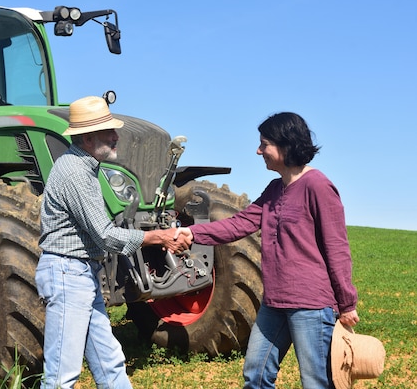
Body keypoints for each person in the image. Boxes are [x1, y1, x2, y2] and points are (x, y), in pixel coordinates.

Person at [175, 112, 359, 389]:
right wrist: (192, 232)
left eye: (264, 144)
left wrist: (347, 303)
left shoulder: (318, 186)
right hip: (274, 303)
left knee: (316, 381)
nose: (259, 150)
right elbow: (239, 224)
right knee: (256, 376)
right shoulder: (275, 189)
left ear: (286, 146)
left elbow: (337, 247)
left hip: (310, 305)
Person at [36, 95, 191, 389]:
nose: (117, 136)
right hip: (68, 274)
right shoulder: (74, 173)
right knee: (61, 377)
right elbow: (106, 235)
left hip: (81, 273)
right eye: (110, 131)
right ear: (88, 137)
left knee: (110, 364)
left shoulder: (86, 168)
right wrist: (157, 237)